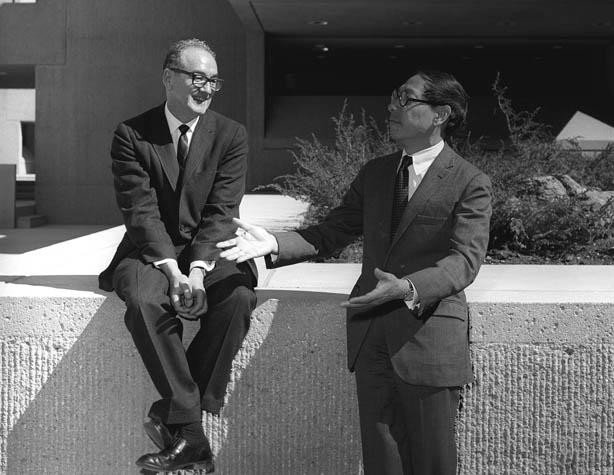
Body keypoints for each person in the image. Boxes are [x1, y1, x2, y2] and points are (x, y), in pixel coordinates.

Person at [217, 70, 492, 475]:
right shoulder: (376, 173)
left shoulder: (470, 181)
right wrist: (274, 243)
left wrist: (408, 287)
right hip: (371, 337)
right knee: (382, 460)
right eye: (394, 96)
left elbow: (465, 260)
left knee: (433, 463)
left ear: (440, 114)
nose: (392, 106)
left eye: (406, 98)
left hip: (429, 337)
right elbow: (331, 232)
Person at [98, 38, 257, 473]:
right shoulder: (131, 134)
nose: (206, 89)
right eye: (197, 78)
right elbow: (140, 210)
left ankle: (174, 417)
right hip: (151, 248)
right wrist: (172, 271)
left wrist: (200, 274)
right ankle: (191, 432)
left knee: (238, 297)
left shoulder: (231, 135)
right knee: (145, 301)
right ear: (169, 77)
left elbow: (223, 211)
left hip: (210, 248)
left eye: (213, 81)